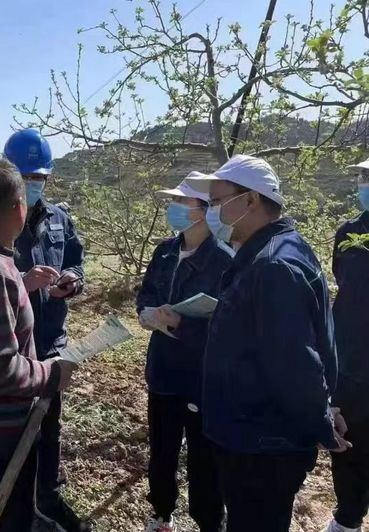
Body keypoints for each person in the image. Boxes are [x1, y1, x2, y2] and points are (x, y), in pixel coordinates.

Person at [186, 155, 350, 532]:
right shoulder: (272, 253)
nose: (211, 211)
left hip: (261, 444)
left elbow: (294, 363)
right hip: (252, 436)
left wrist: (322, 422)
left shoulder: (272, 266)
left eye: (217, 201)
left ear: (251, 201)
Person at [0, 129, 90, 531]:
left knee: (48, 434)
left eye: (40, 178)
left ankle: (45, 497)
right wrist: (21, 282)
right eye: (26, 177)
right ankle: (22, 506)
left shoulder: (59, 219)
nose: (34, 185)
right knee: (17, 439)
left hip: (48, 344)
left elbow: (78, 262)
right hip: (12, 353)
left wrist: (71, 281)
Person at [136, 172, 233, 532]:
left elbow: (227, 326)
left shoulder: (223, 260)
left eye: (182, 202)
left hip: (199, 375)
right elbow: (146, 292)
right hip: (162, 369)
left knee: (203, 460)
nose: (174, 208)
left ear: (203, 211)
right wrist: (147, 313)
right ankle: (161, 513)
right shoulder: (165, 251)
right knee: (161, 452)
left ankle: (209, 521)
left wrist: (182, 324)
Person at [323, 159, 369, 532]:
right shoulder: (350, 232)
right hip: (351, 357)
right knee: (350, 440)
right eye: (362, 177)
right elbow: (343, 281)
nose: (362, 183)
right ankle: (348, 518)